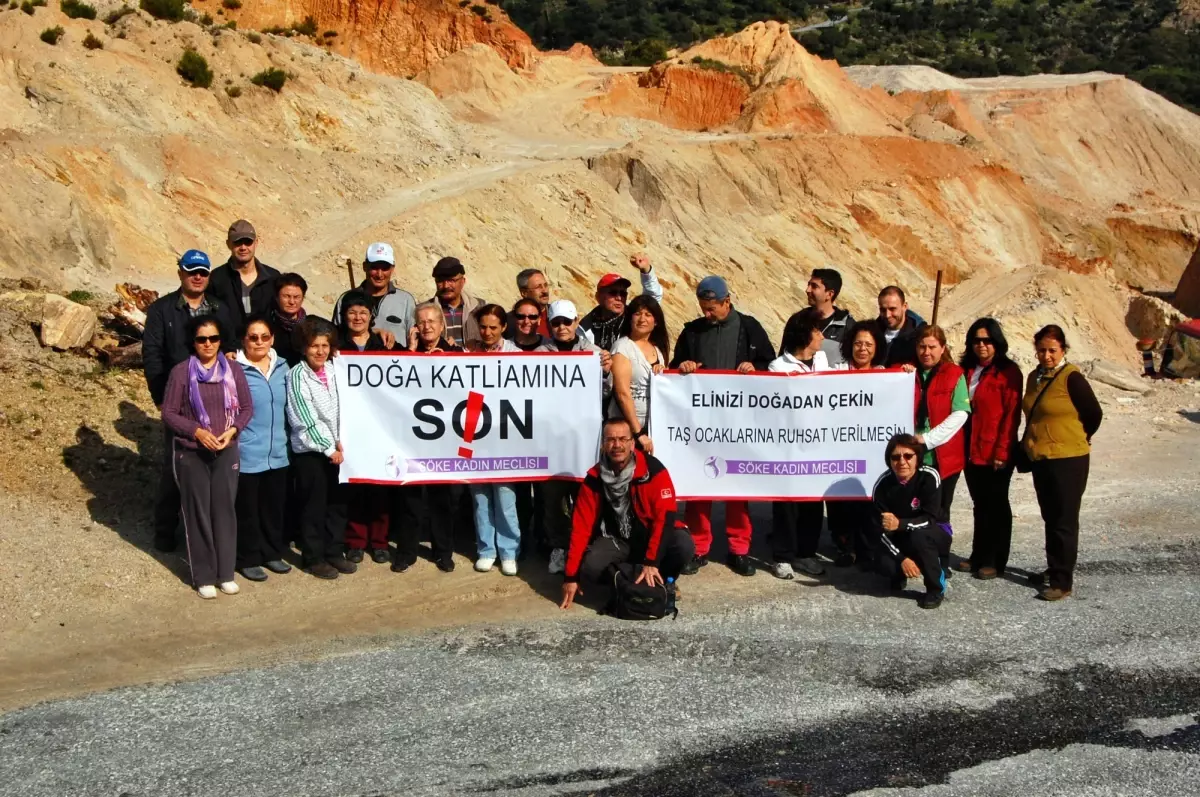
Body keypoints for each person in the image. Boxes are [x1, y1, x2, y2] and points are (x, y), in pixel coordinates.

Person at [671, 275, 773, 577]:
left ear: (727, 302)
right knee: (697, 487)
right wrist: (684, 367)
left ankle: (739, 549)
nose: (706, 314)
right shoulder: (692, 331)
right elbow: (675, 367)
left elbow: (771, 363)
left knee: (737, 488)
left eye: (711, 308)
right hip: (700, 426)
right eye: (703, 308)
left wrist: (757, 368)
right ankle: (698, 548)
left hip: (739, 425)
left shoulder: (750, 327)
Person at [143, 249, 238, 552]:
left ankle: (208, 534)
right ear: (180, 272)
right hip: (180, 400)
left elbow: (231, 348)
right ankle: (165, 530)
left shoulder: (220, 309)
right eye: (191, 271)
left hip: (215, 399)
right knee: (175, 468)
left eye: (203, 272)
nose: (197, 277)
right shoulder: (162, 310)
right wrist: (161, 398)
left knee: (213, 465)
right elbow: (153, 355)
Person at [160, 315, 253, 599]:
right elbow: (169, 413)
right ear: (193, 342)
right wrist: (197, 432)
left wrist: (233, 430)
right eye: (202, 339)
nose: (208, 344)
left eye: (213, 338)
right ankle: (204, 575)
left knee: (224, 510)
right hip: (192, 452)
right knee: (198, 513)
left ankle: (226, 572)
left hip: (226, 450)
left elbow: (247, 408)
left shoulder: (233, 370)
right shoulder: (180, 372)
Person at [559, 417, 696, 610]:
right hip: (617, 539)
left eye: (623, 439)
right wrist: (571, 576)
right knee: (590, 567)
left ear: (632, 444)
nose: (617, 445)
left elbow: (664, 519)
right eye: (611, 440)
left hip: (649, 535)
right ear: (603, 445)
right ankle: (626, 580)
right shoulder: (594, 478)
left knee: (683, 544)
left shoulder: (654, 470)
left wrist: (651, 561)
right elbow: (581, 528)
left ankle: (664, 579)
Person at [1021, 325, 1102, 601]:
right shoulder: (1034, 378)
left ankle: (1062, 581)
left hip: (1069, 459)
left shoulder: (1072, 377)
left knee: (1065, 520)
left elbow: (1093, 413)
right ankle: (1054, 568)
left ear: (1063, 350)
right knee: (1050, 517)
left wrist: (1080, 436)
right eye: (1042, 350)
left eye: (1052, 350)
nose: (1046, 355)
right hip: (1042, 458)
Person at [537, 299, 614, 574]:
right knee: (553, 498)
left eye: (566, 322)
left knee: (586, 495)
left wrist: (606, 372)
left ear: (576, 321)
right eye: (556, 322)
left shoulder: (593, 352)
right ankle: (560, 546)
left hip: (585, 439)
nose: (561, 327)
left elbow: (605, 394)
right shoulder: (539, 353)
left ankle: (588, 545)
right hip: (552, 440)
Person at [286, 318, 356, 579]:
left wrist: (344, 441)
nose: (320, 351)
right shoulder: (296, 375)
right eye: (314, 345)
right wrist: (329, 448)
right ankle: (313, 557)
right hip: (312, 452)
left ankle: (334, 551)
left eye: (325, 345)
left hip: (339, 449)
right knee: (313, 506)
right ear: (304, 347)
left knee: (337, 504)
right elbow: (304, 418)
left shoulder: (336, 369)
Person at [397, 302, 462, 573]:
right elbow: (395, 386)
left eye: (431, 321)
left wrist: (443, 359)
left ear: (441, 324)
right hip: (412, 439)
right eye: (421, 322)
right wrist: (411, 353)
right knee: (409, 499)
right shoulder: (403, 355)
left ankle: (443, 552)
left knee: (441, 500)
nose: (427, 327)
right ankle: (406, 552)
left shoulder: (456, 353)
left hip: (443, 439)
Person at [955, 318, 1023, 580]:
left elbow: (1011, 415)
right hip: (971, 448)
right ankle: (977, 554)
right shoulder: (968, 370)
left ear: (997, 343)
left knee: (996, 504)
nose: (981, 345)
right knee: (979, 504)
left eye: (987, 340)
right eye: (977, 340)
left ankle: (996, 560)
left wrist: (1003, 452)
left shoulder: (1008, 372)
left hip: (995, 449)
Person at [765, 309, 831, 580]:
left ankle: (806, 553)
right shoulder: (778, 367)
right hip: (788, 448)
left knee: (813, 503)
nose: (822, 336)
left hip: (817, 444)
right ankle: (782, 556)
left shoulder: (823, 359)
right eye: (817, 330)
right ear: (805, 335)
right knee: (786, 503)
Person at [233, 315, 292, 581]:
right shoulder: (234, 369)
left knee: (274, 508)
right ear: (244, 340)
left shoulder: (284, 367)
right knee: (248, 510)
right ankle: (248, 557)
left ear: (272, 339)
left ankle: (272, 553)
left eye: (264, 337)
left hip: (278, 453)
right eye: (253, 337)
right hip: (247, 453)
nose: (259, 342)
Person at [335, 293, 392, 565]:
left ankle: (380, 542)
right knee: (354, 487)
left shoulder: (384, 344)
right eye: (352, 312)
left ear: (371, 317)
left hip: (379, 428)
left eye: (363, 312)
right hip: (348, 427)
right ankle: (356, 541)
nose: (357, 318)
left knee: (379, 488)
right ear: (344, 316)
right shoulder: (335, 345)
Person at [827, 320, 889, 567]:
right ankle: (845, 546)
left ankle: (867, 548)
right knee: (840, 499)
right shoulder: (836, 371)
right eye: (858, 343)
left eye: (868, 344)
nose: (862, 349)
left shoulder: (886, 375)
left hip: (871, 450)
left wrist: (905, 372)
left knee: (867, 499)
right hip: (839, 447)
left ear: (877, 348)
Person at [466, 304, 522, 573]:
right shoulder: (468, 352)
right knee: (480, 497)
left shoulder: (516, 354)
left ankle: (509, 551)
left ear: (503, 328)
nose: (487, 332)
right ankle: (486, 549)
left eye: (493, 327)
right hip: (474, 435)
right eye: (483, 327)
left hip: (503, 435)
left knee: (504, 495)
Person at [873, 434, 951, 609]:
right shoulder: (882, 485)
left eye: (908, 456)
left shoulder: (930, 476)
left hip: (933, 531)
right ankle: (900, 573)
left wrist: (900, 524)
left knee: (920, 537)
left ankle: (935, 588)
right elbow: (879, 530)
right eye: (895, 457)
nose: (902, 461)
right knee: (884, 564)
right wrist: (902, 559)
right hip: (901, 536)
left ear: (917, 458)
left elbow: (930, 519)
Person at [911, 324, 970, 519]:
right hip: (913, 457)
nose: (926, 352)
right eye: (922, 347)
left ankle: (940, 549)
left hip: (943, 458)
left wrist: (928, 439)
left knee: (940, 511)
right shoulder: (907, 373)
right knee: (912, 508)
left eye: (932, 347)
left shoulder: (954, 374)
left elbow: (960, 413)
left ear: (942, 348)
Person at [609, 294, 669, 453]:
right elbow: (622, 393)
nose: (642, 319)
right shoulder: (622, 347)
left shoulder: (658, 350)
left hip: (654, 427)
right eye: (638, 314)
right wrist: (639, 433)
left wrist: (663, 373)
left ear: (656, 321)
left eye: (648, 315)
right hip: (629, 430)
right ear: (630, 318)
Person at [331, 242, 415, 346]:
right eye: (374, 267)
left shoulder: (406, 300)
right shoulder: (345, 299)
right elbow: (334, 335)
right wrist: (374, 332)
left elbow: (414, 338)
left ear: (392, 269)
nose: (379, 274)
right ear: (364, 266)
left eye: (385, 268)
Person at [580, 254, 665, 352]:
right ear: (598, 297)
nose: (619, 297)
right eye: (613, 293)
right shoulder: (585, 326)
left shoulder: (633, 315)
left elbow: (653, 297)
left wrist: (646, 270)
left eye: (623, 293)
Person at [207, 219, 279, 334]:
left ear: (256, 243)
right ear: (228, 244)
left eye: (248, 242)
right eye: (237, 242)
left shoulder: (273, 277)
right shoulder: (216, 279)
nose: (243, 247)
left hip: (264, 346)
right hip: (230, 350)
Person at [428, 256, 484, 349]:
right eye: (440, 281)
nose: (446, 286)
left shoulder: (480, 307)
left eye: (451, 280)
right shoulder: (425, 311)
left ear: (463, 281)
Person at [805, 268, 854, 366]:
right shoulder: (798, 321)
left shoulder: (848, 327)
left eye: (814, 286)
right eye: (808, 285)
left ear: (829, 294)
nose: (807, 290)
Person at [878, 286, 924, 366]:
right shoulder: (872, 332)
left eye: (892, 309)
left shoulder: (920, 335)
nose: (887, 315)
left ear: (905, 307)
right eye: (883, 310)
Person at [269, 272, 308, 366]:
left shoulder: (311, 325)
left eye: (297, 297)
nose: (292, 302)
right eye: (286, 296)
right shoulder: (267, 326)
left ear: (303, 298)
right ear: (277, 297)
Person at [511, 268, 551, 337]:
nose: (545, 291)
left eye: (545, 285)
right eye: (538, 287)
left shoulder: (559, 316)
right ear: (524, 293)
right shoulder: (510, 321)